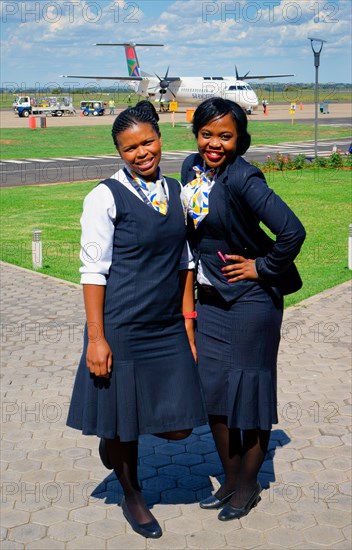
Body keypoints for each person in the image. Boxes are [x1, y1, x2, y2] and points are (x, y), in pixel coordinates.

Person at [67, 102, 207, 538]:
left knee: (181, 424)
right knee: (125, 419)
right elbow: (93, 272)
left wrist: (188, 320)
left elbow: (186, 260)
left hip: (166, 325)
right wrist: (96, 339)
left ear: (161, 139)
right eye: (130, 148)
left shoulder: (177, 191)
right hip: (122, 326)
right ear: (119, 152)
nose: (141, 153)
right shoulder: (104, 197)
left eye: (147, 141)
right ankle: (132, 494)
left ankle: (111, 440)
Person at [181, 97, 306, 522]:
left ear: (239, 139)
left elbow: (292, 231)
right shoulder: (189, 170)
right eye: (207, 134)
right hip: (212, 301)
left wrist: (262, 267)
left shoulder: (243, 178)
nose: (215, 143)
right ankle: (231, 480)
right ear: (196, 133)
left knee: (248, 395)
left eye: (225, 136)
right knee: (213, 393)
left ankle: (250, 485)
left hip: (252, 303)